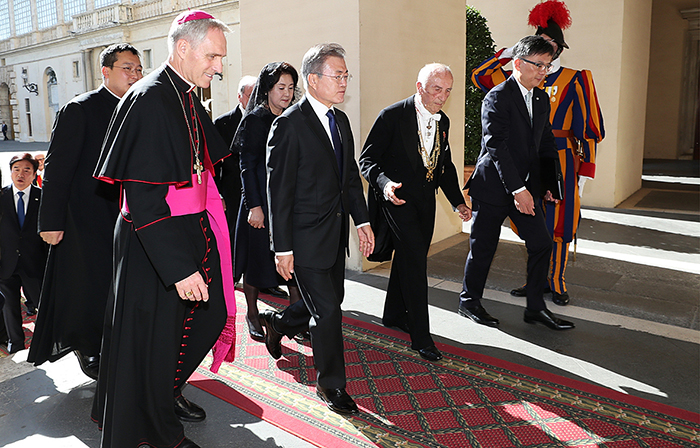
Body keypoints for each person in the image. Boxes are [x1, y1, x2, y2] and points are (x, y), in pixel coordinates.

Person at [91, 10, 233, 448]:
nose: (219, 66)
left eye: (221, 58)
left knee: (202, 320)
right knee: (151, 345)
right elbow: (143, 198)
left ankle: (161, 398)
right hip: (152, 242)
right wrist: (178, 268)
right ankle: (159, 432)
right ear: (184, 48)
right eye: (213, 56)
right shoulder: (151, 98)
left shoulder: (186, 93)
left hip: (182, 232)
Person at [260, 43, 374, 415]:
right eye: (336, 75)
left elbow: (350, 181)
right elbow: (279, 193)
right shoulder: (288, 124)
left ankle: (279, 322)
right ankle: (331, 385)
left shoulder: (339, 121)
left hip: (335, 236)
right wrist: (282, 248)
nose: (343, 82)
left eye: (346, 75)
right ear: (313, 79)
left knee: (327, 304)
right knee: (328, 313)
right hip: (304, 240)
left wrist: (363, 220)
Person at [471, 0, 604, 305]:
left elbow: (589, 128)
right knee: (534, 227)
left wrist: (585, 169)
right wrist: (505, 55)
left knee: (559, 224)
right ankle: (534, 283)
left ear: (559, 49)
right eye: (542, 46)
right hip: (520, 163)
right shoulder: (515, 79)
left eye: (552, 47)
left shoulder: (576, 77)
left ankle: (555, 281)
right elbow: (481, 78)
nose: (548, 53)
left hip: (560, 159)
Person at [27, 44, 143, 379]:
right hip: (85, 215)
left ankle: (115, 341)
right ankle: (89, 347)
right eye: (127, 68)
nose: (134, 74)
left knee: (119, 284)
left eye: (138, 69)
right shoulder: (79, 109)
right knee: (89, 284)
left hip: (127, 213)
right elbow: (57, 167)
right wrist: (50, 221)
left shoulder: (137, 109)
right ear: (105, 72)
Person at [459, 35, 574, 331]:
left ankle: (535, 307)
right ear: (518, 63)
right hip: (494, 187)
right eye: (538, 65)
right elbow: (496, 146)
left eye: (547, 66)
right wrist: (518, 190)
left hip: (527, 187)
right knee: (483, 247)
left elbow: (546, 143)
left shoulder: (540, 98)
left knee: (541, 244)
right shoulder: (497, 96)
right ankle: (469, 301)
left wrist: (549, 183)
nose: (543, 71)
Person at [360, 63, 471, 362]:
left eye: (447, 91)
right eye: (437, 89)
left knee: (412, 258)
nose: (442, 97)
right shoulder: (392, 116)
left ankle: (394, 314)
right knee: (416, 267)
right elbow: (367, 160)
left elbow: (443, 167)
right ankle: (421, 337)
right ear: (420, 86)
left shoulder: (442, 121)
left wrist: (457, 201)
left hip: (426, 203)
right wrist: (384, 185)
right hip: (396, 201)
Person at [232, 62, 304, 341]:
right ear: (267, 90)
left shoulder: (293, 117)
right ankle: (252, 313)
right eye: (280, 88)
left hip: (286, 205)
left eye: (290, 88)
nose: (286, 94)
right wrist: (255, 207)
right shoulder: (255, 120)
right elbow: (247, 166)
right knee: (257, 263)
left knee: (292, 265)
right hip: (259, 205)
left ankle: (293, 319)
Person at [0, 154, 48, 354]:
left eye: (27, 170)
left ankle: (45, 342)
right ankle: (16, 345)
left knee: (42, 304)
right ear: (10, 172)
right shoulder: (1, 196)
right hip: (6, 263)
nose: (21, 174)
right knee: (9, 307)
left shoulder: (43, 197)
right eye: (16, 169)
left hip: (34, 262)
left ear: (34, 173)